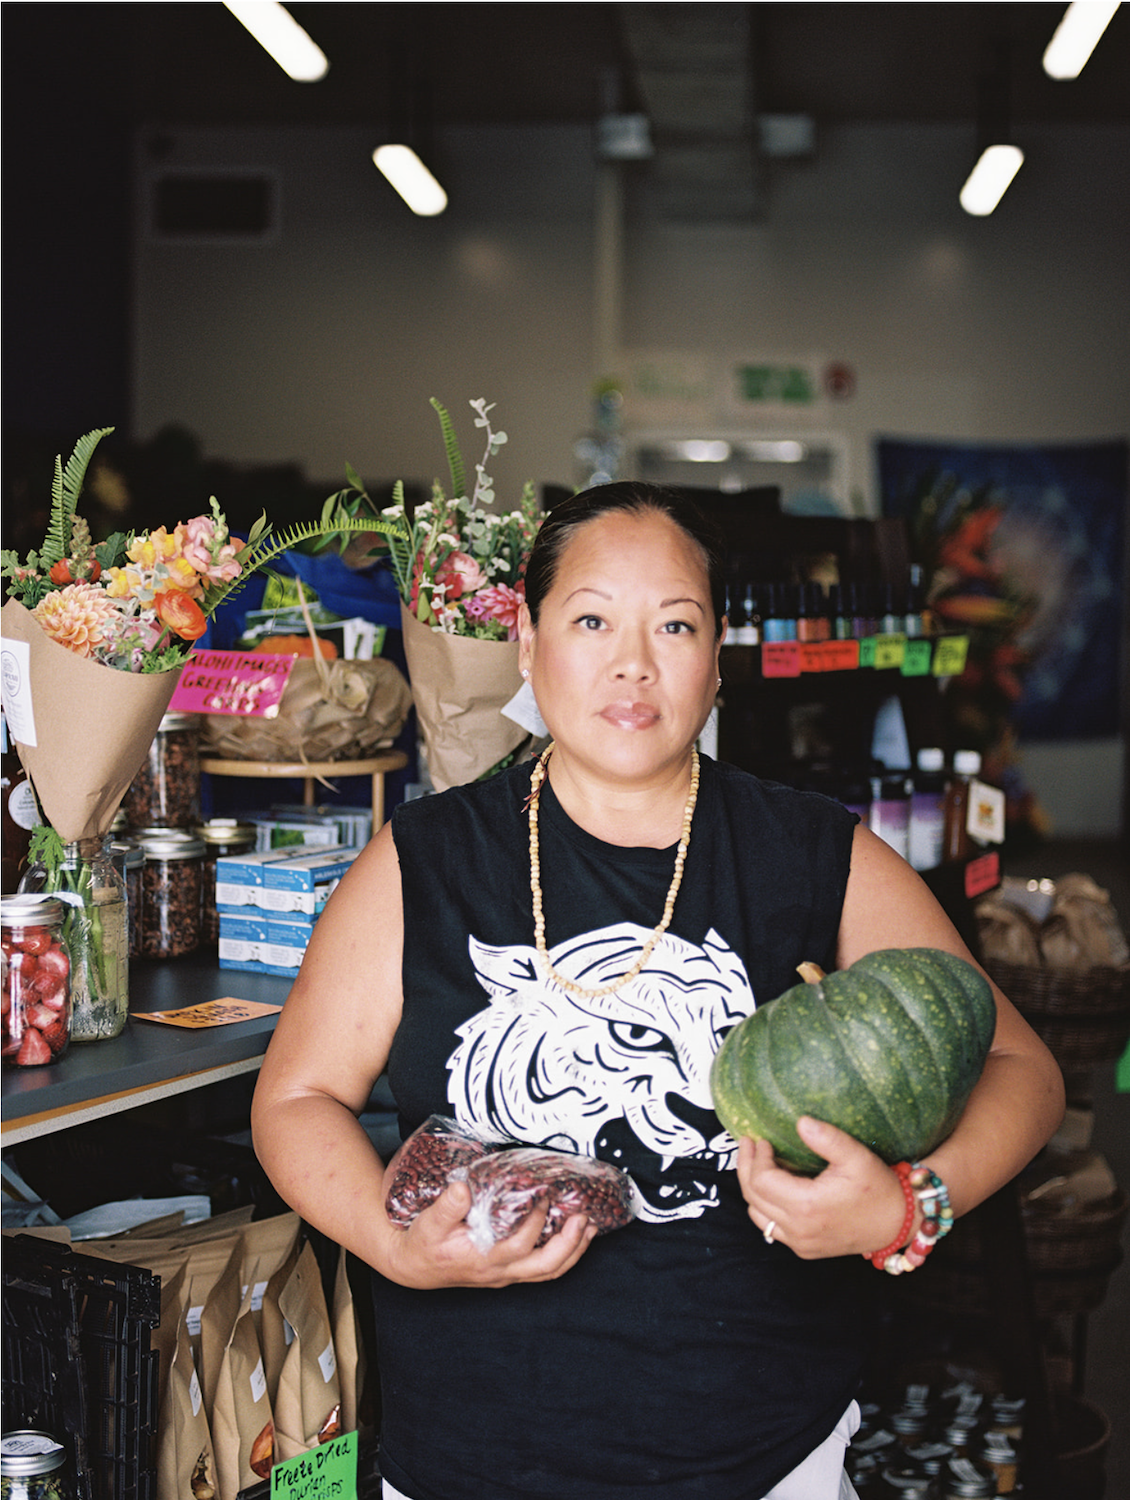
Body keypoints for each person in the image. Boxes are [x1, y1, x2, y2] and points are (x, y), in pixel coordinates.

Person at [251, 481, 1064, 1500]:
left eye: (672, 625)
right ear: (526, 641)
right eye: (590, 619)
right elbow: (295, 1099)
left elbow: (1018, 1067)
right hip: (467, 1456)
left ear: (714, 655)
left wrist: (907, 1206)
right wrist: (388, 1242)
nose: (631, 662)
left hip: (768, 1458)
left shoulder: (811, 853)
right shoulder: (425, 860)